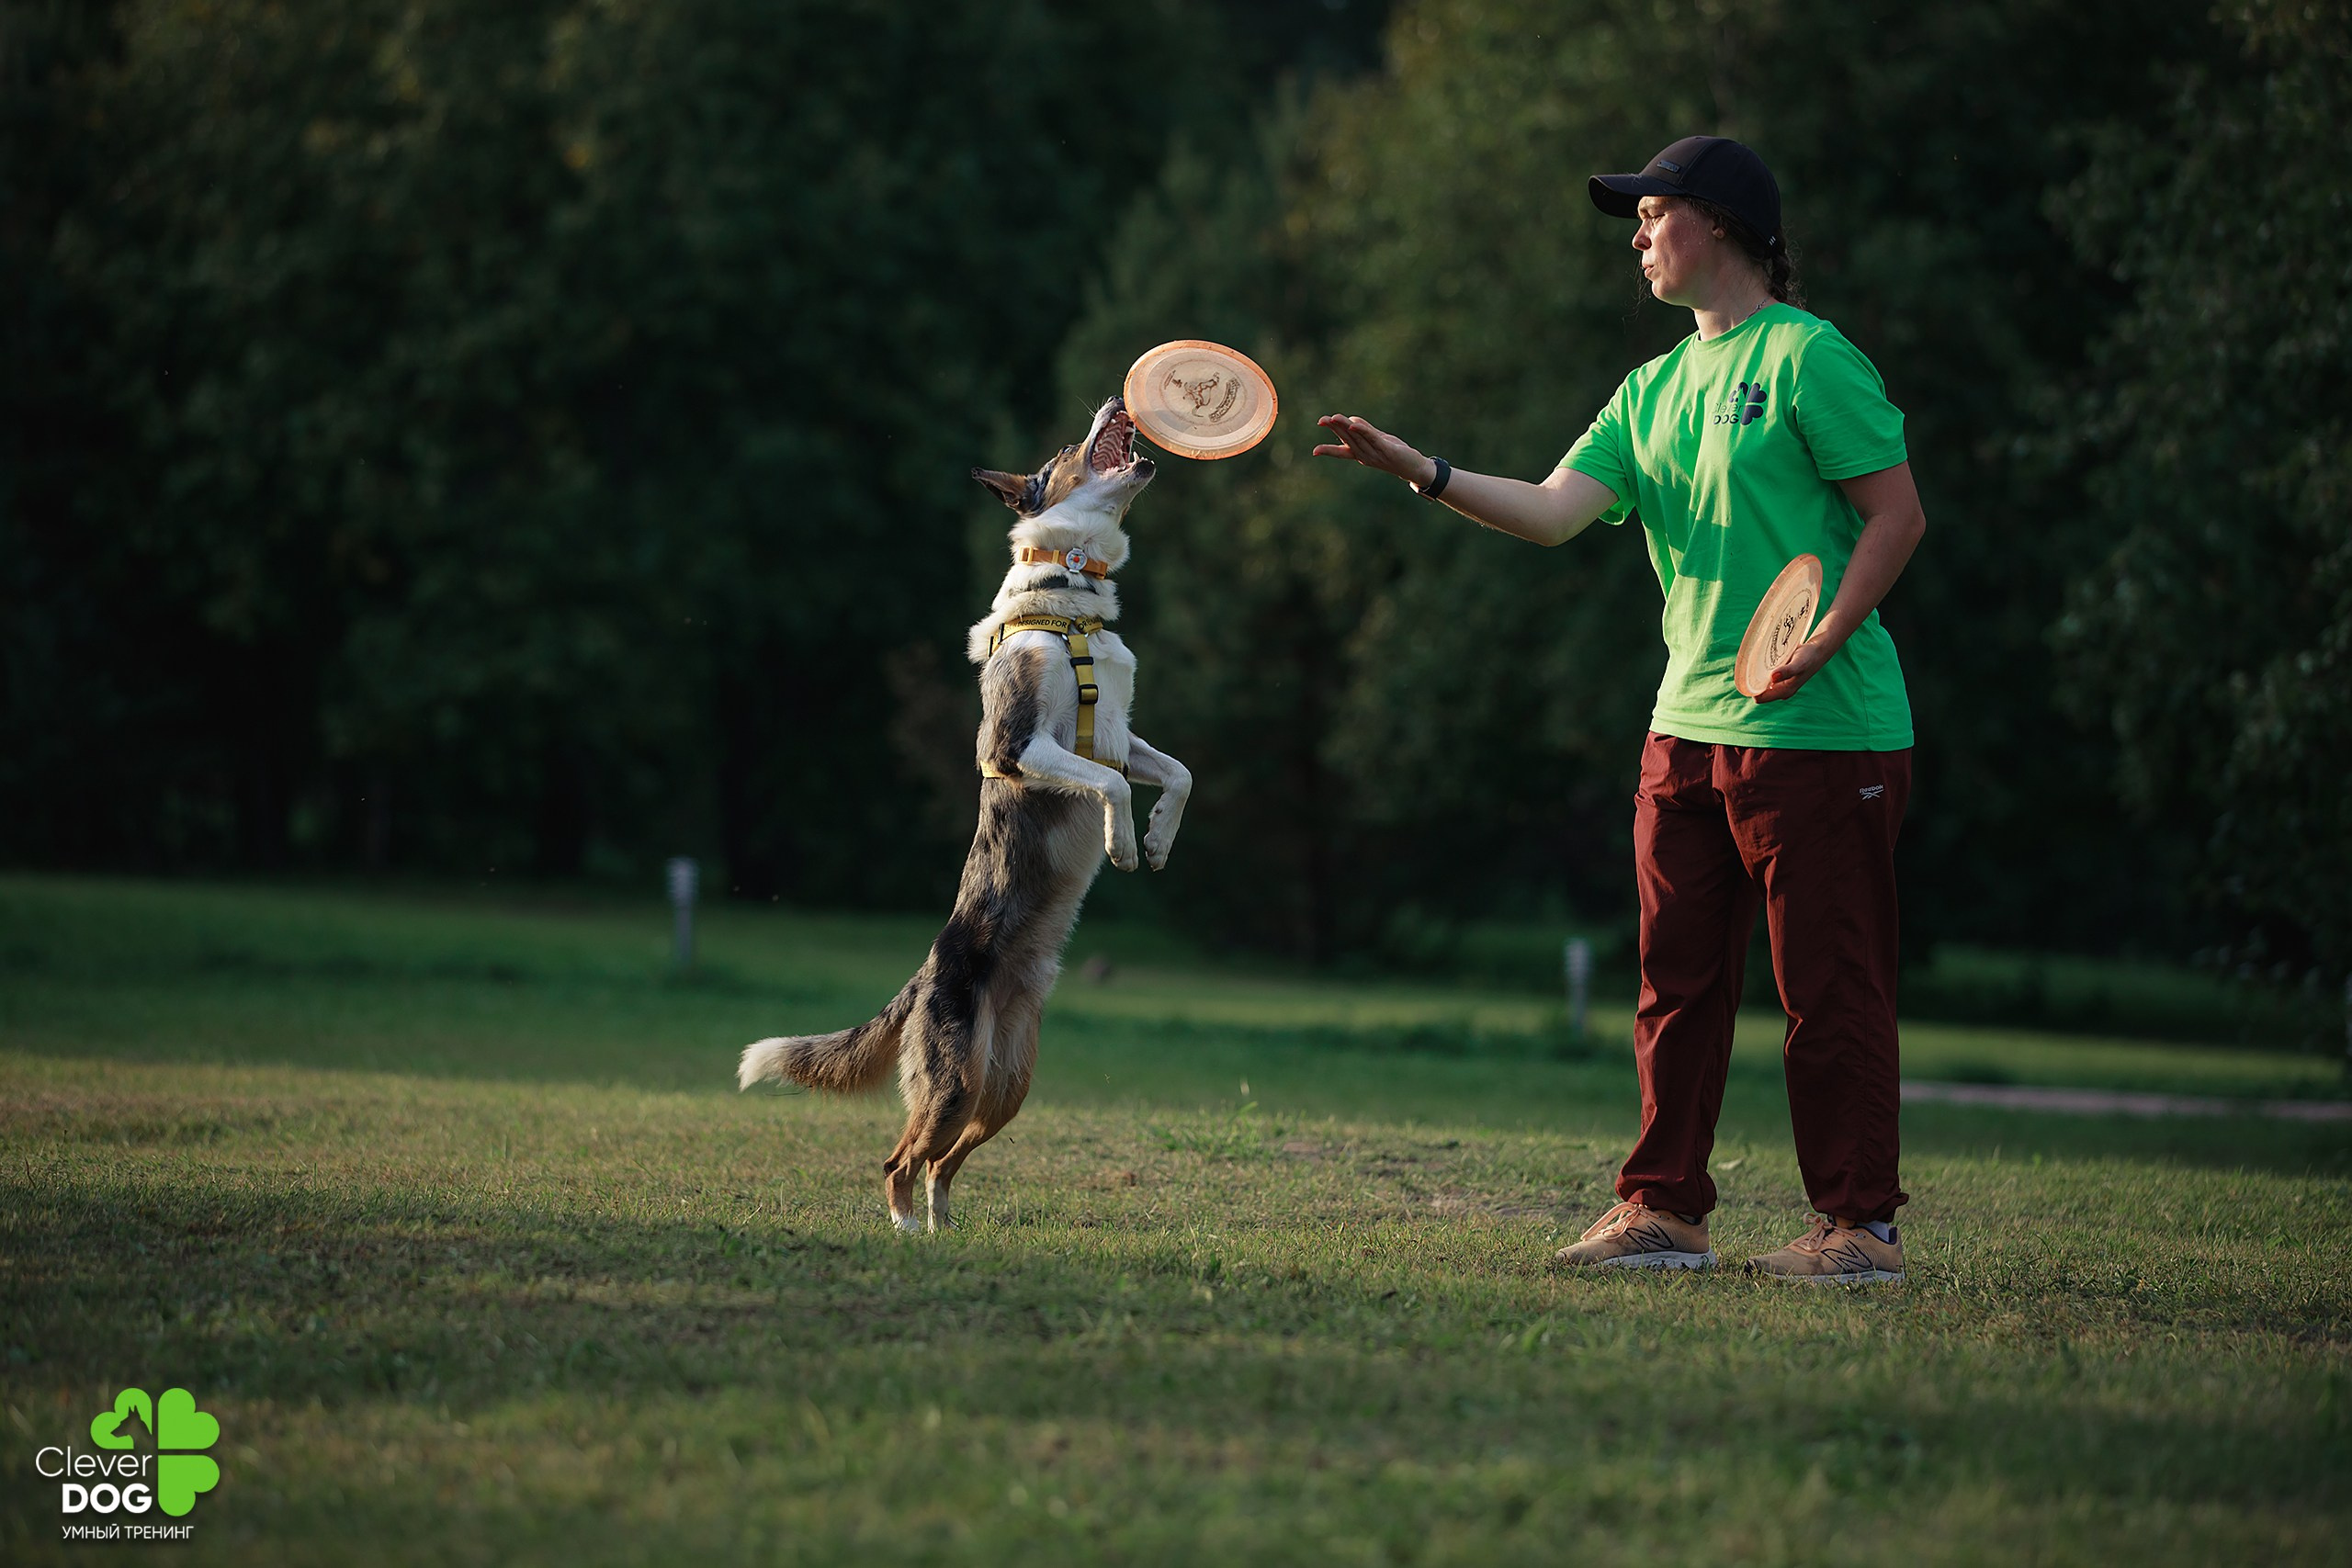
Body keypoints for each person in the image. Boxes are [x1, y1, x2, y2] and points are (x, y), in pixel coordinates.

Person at [1313, 136, 1926, 1283]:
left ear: (1721, 225)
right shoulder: (1650, 390)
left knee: (1829, 992)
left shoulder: (1808, 359)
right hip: (1683, 727)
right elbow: (1549, 512)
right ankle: (1664, 1213)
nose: (1635, 236)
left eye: (1650, 215)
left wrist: (1824, 635)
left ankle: (1858, 1230)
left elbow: (1896, 518)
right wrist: (1418, 469)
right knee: (1675, 986)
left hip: (1821, 727)